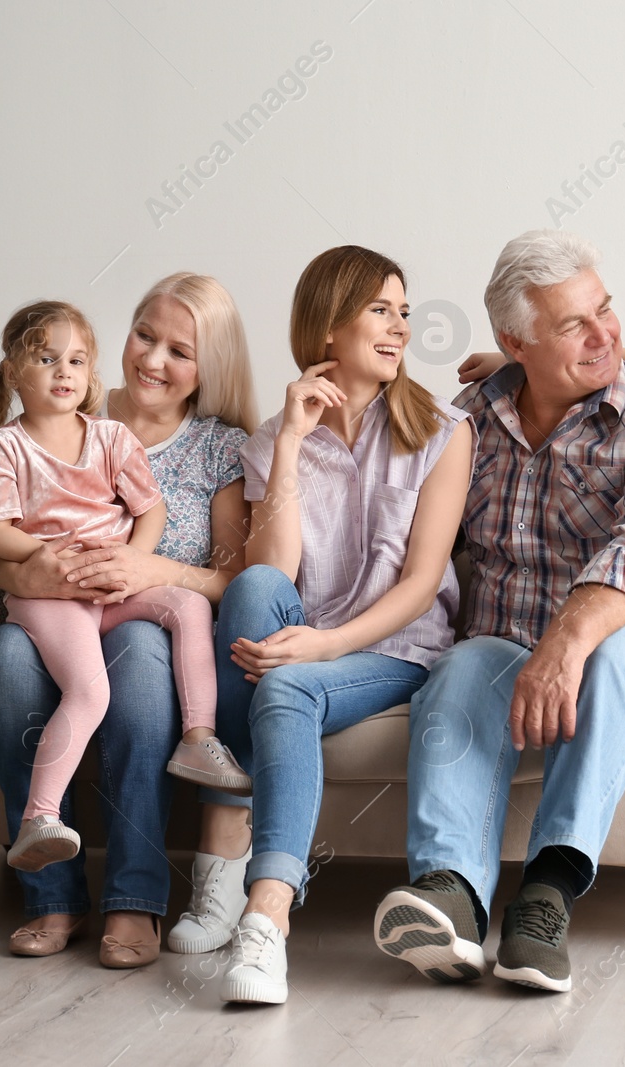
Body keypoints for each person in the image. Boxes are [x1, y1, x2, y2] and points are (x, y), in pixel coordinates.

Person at [374, 229, 625, 994]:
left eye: (605, 310)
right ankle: (451, 896)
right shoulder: (465, 423)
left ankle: (545, 899)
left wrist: (567, 643)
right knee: (461, 662)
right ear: (512, 341)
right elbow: (403, 534)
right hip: (503, 641)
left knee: (611, 647)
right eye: (572, 325)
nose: (605, 336)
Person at [0, 273, 256, 968]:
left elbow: (235, 580)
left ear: (209, 366)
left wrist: (151, 568)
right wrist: (27, 570)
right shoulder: (66, 406)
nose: (152, 359)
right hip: (48, 609)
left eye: (179, 350)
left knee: (144, 656)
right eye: (144, 335)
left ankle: (133, 896)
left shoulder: (218, 446)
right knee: (3, 655)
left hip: (135, 620)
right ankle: (49, 891)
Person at [203, 245, 473, 1005]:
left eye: (404, 313)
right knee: (253, 584)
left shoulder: (445, 432)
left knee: (288, 686)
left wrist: (323, 645)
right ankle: (238, 853)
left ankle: (262, 911)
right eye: (380, 310)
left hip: (398, 650)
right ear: (328, 327)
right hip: (296, 637)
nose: (400, 328)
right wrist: (289, 443)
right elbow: (274, 575)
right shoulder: (268, 440)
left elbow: (421, 586)